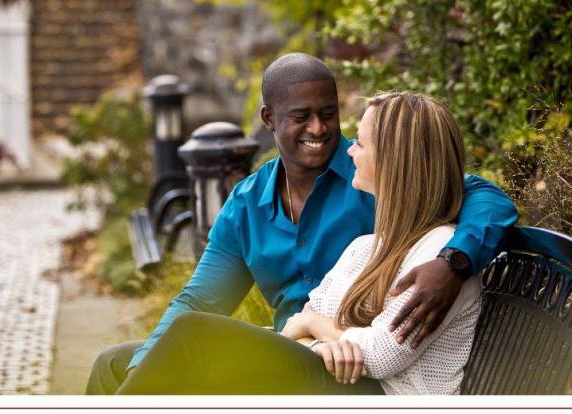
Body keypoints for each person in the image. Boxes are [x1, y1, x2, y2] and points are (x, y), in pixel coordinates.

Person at [86, 53, 517, 395]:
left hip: (346, 379)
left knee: (192, 340)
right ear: (269, 120)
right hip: (295, 352)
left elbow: (483, 196)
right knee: (113, 363)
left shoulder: (379, 178)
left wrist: (454, 261)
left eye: (329, 114)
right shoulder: (248, 205)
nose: (320, 129)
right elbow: (200, 300)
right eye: (301, 116)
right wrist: (146, 367)